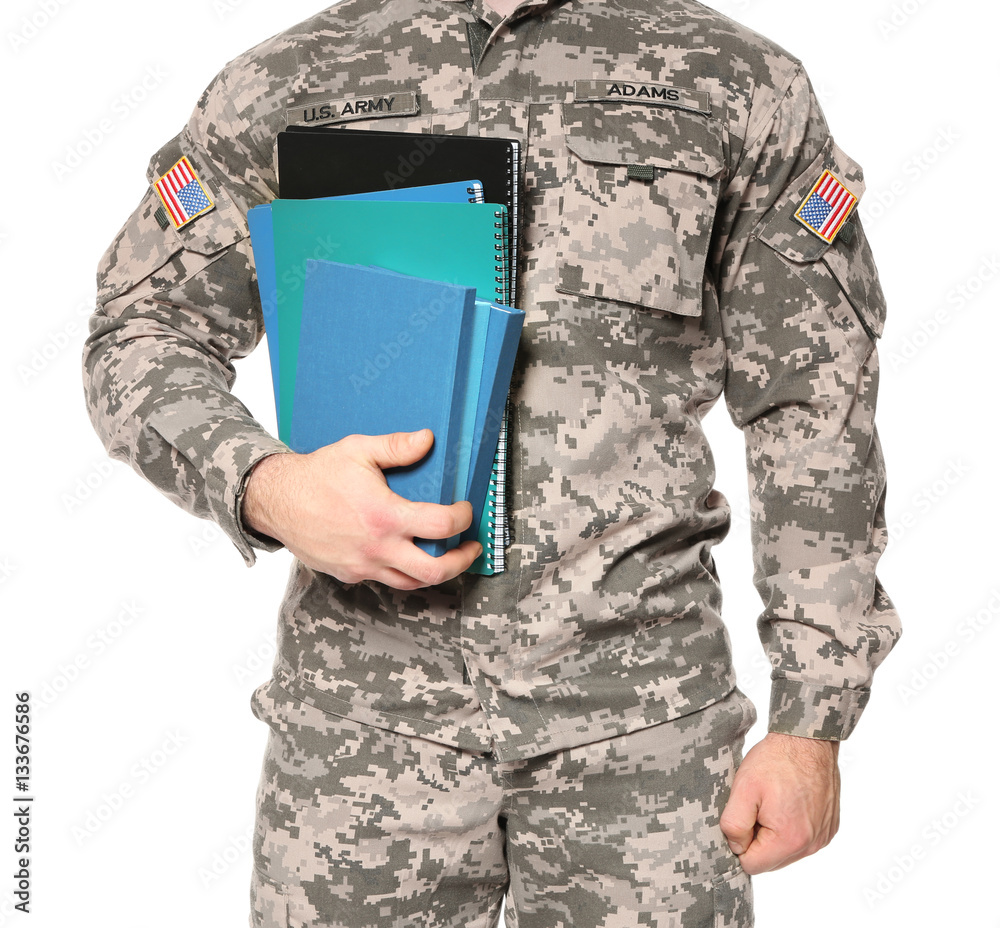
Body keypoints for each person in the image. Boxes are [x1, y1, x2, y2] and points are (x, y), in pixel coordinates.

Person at [82, 0, 901, 924]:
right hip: (362, 735)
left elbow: (813, 407)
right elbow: (139, 332)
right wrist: (264, 486)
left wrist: (811, 721)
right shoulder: (288, 84)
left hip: (645, 732)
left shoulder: (737, 82)